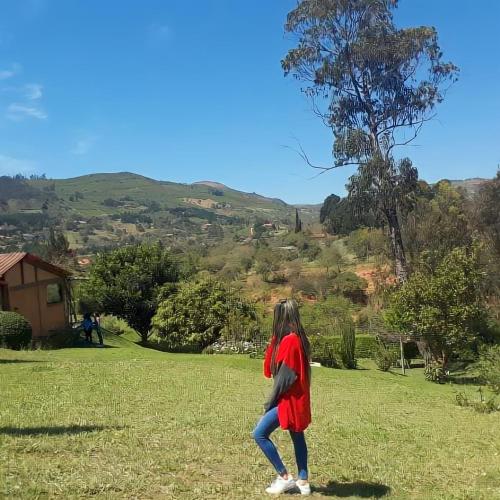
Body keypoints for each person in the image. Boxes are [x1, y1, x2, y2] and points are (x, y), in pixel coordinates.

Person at [252, 299, 312, 496]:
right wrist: (275, 340)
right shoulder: (298, 338)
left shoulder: (290, 341)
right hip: (298, 399)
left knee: (259, 434)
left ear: (282, 318)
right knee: (297, 435)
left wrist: (270, 403)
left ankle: (284, 477)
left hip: (288, 401)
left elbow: (283, 379)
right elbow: (272, 370)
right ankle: (303, 480)